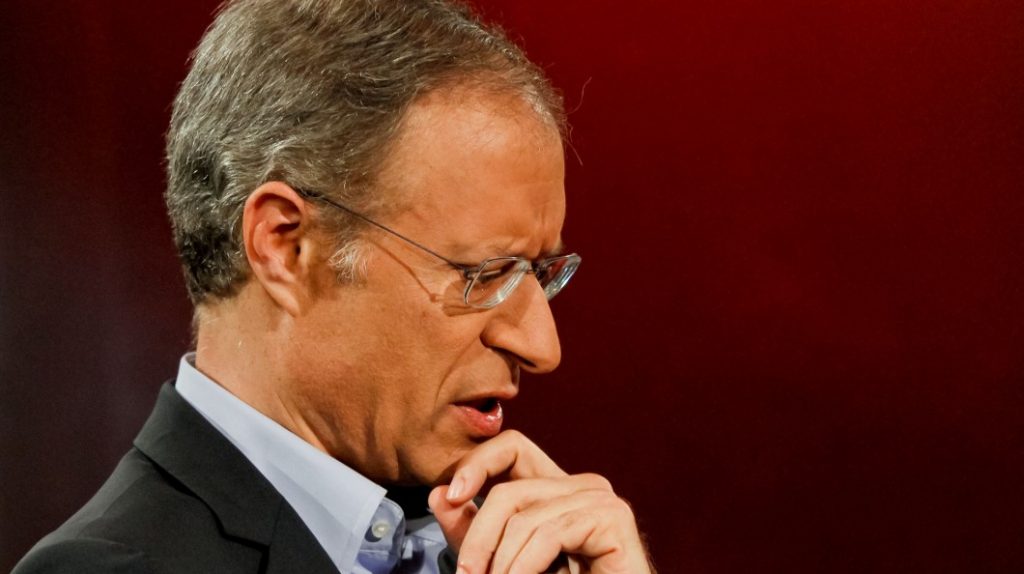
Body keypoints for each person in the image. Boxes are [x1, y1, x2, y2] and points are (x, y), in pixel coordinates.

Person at [14, 1, 654, 572]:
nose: (543, 347)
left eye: (539, 274)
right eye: (484, 274)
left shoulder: (521, 549)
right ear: (286, 247)